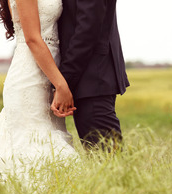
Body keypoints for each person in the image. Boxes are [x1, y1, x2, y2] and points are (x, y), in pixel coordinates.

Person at [0, 0, 78, 178]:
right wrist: (61, 85)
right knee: (33, 145)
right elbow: (32, 39)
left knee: (45, 145)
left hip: (50, 72)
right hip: (29, 78)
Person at [52, 0, 130, 149]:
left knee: (107, 160)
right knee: (103, 158)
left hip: (92, 76)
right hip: (89, 75)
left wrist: (64, 82)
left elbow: (88, 27)